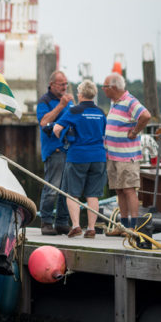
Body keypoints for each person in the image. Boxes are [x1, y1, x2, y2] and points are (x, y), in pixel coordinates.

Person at [53, 79, 106, 238]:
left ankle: (76, 225)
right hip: (98, 156)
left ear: (81, 94)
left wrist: (63, 139)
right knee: (93, 194)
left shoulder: (74, 111)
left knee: (72, 193)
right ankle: (91, 228)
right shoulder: (101, 112)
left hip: (78, 156)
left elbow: (56, 128)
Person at [102, 72, 152, 233]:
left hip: (126, 156)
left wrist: (135, 131)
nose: (103, 89)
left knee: (129, 190)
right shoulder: (114, 102)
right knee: (119, 190)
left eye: (105, 86)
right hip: (113, 155)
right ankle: (122, 226)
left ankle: (134, 227)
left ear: (114, 87)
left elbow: (145, 115)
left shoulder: (130, 101)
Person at [36, 70, 74, 235]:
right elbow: (44, 122)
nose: (65, 87)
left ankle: (62, 222)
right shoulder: (44, 101)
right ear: (52, 85)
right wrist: (61, 106)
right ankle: (46, 222)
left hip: (70, 150)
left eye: (66, 84)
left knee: (67, 189)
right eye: (61, 84)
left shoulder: (70, 101)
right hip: (54, 150)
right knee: (52, 187)